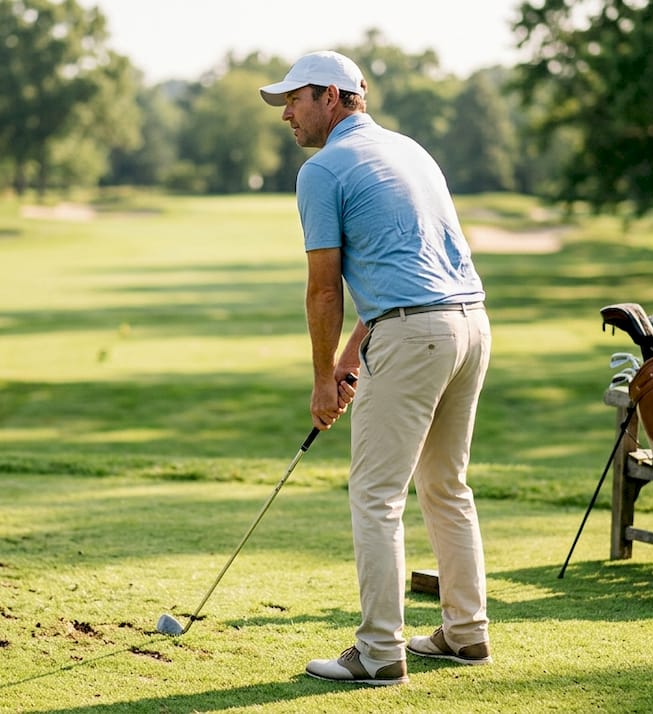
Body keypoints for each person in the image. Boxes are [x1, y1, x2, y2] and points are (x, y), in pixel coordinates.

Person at [258, 51, 493, 686]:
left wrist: (319, 381)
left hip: (416, 332)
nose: (286, 112)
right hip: (469, 324)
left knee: (376, 495)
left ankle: (380, 651)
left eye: (294, 99)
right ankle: (466, 634)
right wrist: (347, 359)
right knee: (447, 485)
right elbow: (412, 265)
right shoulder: (412, 151)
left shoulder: (322, 168)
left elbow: (324, 289)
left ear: (332, 97)